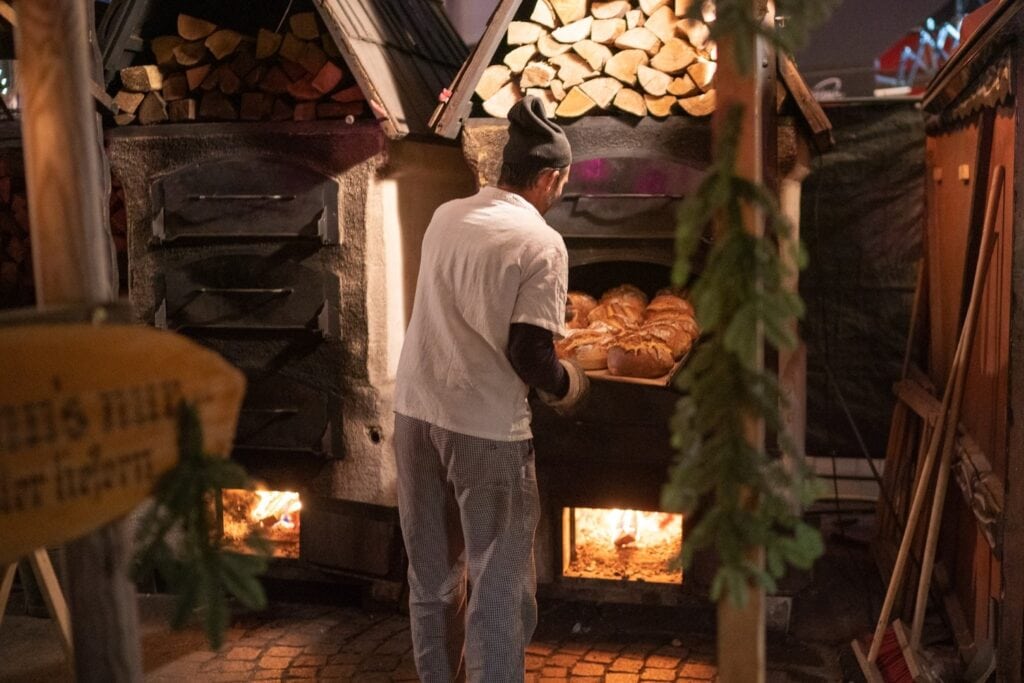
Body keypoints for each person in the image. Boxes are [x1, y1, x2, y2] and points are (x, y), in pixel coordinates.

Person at [392, 96, 589, 682]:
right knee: (500, 583)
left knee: (431, 579)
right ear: (550, 177)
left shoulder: (446, 215)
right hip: (484, 432)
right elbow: (529, 353)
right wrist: (568, 385)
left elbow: (468, 302)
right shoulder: (542, 242)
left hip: (414, 414)